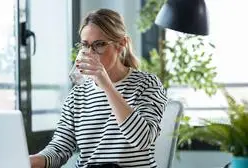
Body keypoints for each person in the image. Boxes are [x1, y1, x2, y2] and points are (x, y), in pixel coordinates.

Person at [30, 8, 168, 168]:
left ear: (121, 44)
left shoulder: (147, 84)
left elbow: (142, 140)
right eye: (85, 45)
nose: (90, 53)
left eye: (99, 45)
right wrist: (32, 161)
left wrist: (107, 86)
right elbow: (60, 148)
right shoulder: (78, 94)